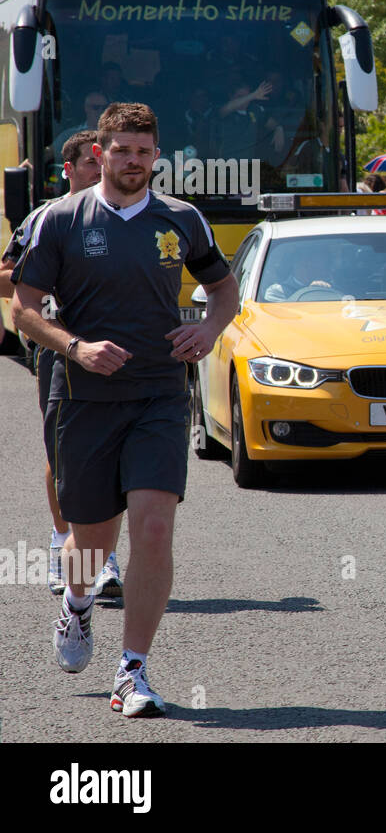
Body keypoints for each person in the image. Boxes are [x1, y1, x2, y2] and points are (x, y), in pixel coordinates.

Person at [10, 102, 238, 717]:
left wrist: (210, 329)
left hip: (160, 391)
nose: (132, 161)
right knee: (91, 537)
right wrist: (76, 348)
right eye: (121, 150)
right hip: (85, 396)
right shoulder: (60, 220)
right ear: (99, 155)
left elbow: (223, 288)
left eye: (143, 151)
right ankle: (78, 605)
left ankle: (132, 671)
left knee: (154, 525)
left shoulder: (182, 220)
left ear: (155, 156)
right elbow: (23, 308)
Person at [0, 131, 121, 598]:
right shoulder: (45, 218)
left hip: (116, 347)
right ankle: (63, 544)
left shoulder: (121, 214)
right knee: (63, 452)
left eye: (101, 161)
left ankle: (102, 557)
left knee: (111, 454)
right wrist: (48, 283)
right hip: (59, 349)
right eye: (90, 164)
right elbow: (5, 278)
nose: (99, 170)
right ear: (69, 170)